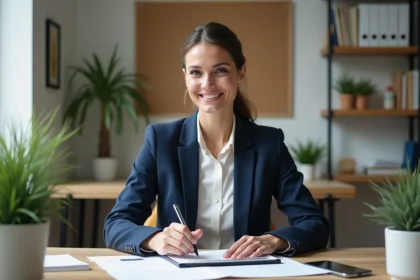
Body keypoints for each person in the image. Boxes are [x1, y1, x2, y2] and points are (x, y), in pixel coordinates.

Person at [103, 22, 329, 259]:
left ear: (240, 72)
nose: (207, 83)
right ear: (185, 76)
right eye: (196, 72)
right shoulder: (160, 141)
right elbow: (116, 224)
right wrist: (156, 239)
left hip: (246, 274)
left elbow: (314, 223)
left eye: (220, 70)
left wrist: (274, 240)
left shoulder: (268, 144)